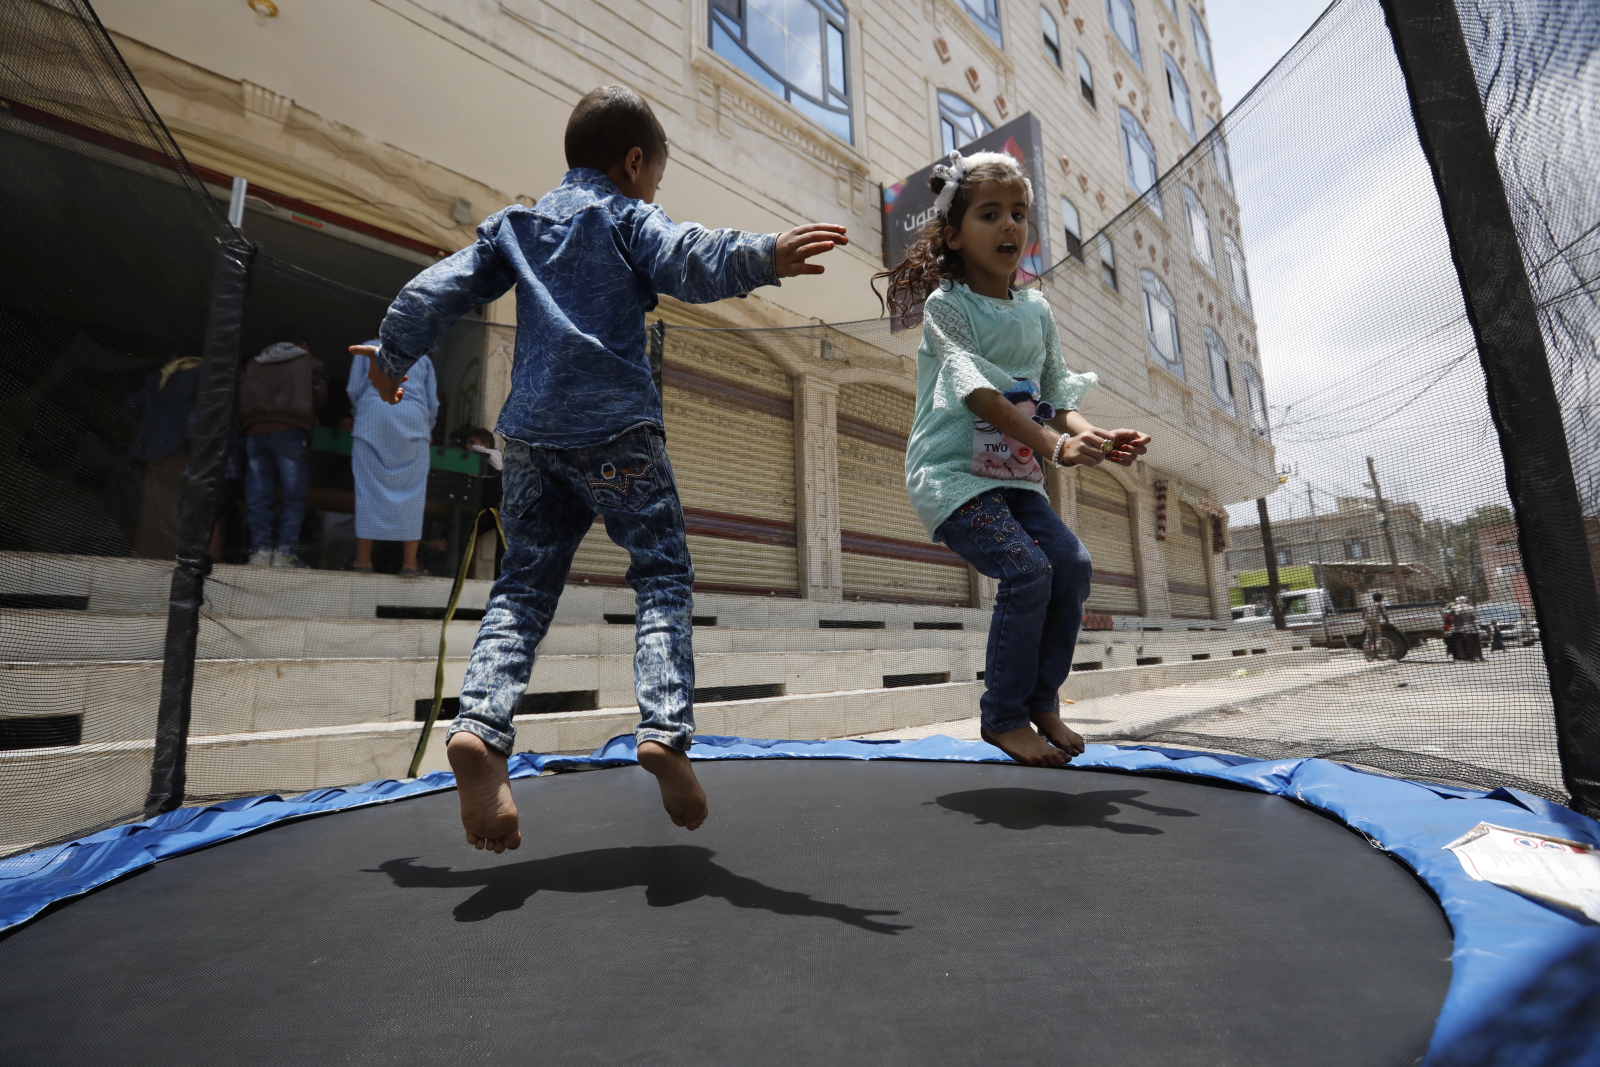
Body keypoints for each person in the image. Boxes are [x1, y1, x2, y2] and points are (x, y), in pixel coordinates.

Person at [351, 85, 847, 851]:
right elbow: (689, 257)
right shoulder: (625, 216)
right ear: (635, 161)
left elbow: (436, 289)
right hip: (617, 430)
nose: (656, 190)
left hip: (530, 441)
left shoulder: (514, 226)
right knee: (660, 573)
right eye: (657, 175)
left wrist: (392, 354)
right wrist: (765, 255)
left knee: (521, 585)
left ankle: (481, 726)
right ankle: (664, 729)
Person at [873, 150, 1150, 767]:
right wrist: (1055, 445)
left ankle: (1041, 699)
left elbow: (1052, 396)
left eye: (1018, 214)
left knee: (1071, 566)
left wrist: (1095, 437)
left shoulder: (1037, 310)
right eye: (990, 214)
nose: (1009, 226)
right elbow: (980, 393)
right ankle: (1002, 716)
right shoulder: (947, 308)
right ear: (952, 234)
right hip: (953, 479)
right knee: (1028, 571)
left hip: (1016, 479)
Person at [347, 339, 439, 576]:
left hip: (372, 417)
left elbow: (353, 390)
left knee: (368, 489)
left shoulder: (366, 349)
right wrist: (426, 428)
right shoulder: (422, 355)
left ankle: (363, 560)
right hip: (413, 420)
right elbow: (432, 403)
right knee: (413, 492)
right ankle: (409, 564)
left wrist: (363, 415)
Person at [237, 340, 327, 567]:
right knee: (293, 496)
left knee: (258, 495)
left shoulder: (254, 364)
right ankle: (283, 554)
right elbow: (320, 396)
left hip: (256, 430)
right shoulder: (309, 362)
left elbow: (240, 394)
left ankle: (260, 551)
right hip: (291, 431)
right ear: (303, 345)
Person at [121, 355, 202, 560]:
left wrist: (149, 429)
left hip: (154, 451)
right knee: (178, 504)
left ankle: (148, 553)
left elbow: (128, 408)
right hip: (183, 450)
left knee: (153, 504)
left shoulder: (158, 381)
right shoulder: (200, 377)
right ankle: (179, 553)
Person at [1453, 596, 1484, 661]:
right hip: (1471, 629)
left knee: (1463, 645)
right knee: (1474, 644)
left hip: (1458, 630)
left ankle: (1466, 657)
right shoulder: (1470, 608)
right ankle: (1476, 657)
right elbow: (1475, 617)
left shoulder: (1454, 609)